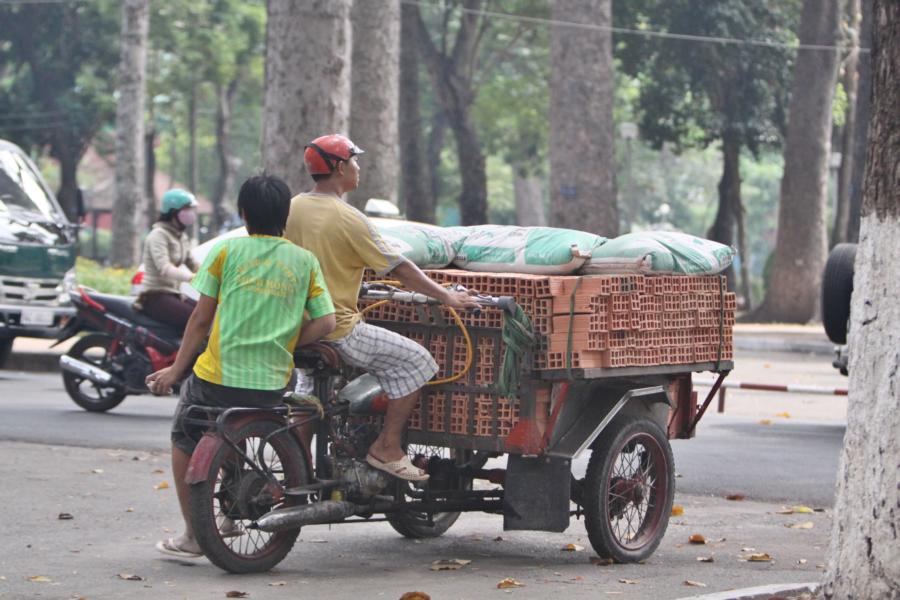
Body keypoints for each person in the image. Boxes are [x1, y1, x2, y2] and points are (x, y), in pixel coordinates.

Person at [146, 174, 336, 558]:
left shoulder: (226, 253)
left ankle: (193, 536)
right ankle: (228, 517)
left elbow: (200, 320)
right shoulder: (304, 261)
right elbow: (327, 322)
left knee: (185, 437)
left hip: (217, 377)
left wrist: (175, 371)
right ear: (285, 215)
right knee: (239, 428)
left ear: (243, 214)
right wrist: (287, 341)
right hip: (270, 383)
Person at [284, 134, 479, 483]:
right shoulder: (348, 218)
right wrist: (446, 296)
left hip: (296, 329)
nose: (359, 168)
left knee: (308, 396)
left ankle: (294, 470)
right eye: (355, 161)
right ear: (340, 167)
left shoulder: (292, 207)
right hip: (338, 329)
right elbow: (399, 266)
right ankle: (387, 447)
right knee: (418, 361)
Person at [137, 189, 200, 332]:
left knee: (209, 314)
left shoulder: (180, 237)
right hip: (155, 296)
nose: (191, 212)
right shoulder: (158, 235)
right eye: (187, 209)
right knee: (197, 320)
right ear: (173, 212)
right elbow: (164, 268)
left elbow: (193, 264)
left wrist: (215, 276)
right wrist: (192, 278)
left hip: (174, 294)